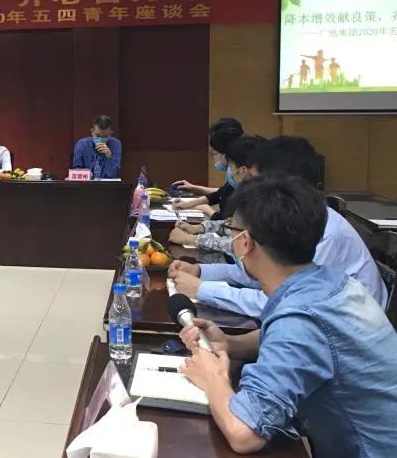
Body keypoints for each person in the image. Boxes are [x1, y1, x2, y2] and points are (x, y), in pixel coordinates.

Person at [177, 176, 397, 457]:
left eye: (232, 229)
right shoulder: (331, 282)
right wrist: (232, 344)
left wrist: (213, 379)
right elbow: (311, 342)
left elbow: (244, 434)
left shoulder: (300, 319)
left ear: (244, 242)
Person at [168, 136, 387, 317]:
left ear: (280, 184)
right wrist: (201, 271)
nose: (250, 188)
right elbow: (264, 273)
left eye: (255, 180)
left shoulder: (321, 231)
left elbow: (280, 302)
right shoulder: (294, 217)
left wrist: (203, 289)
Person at [169, 135, 264, 252]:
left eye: (230, 166)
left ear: (242, 170)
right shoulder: (252, 191)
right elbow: (233, 226)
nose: (230, 173)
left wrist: (191, 239)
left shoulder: (264, 199)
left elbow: (241, 243)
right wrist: (199, 228)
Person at [172, 117, 244, 220]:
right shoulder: (234, 171)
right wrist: (189, 203)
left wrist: (206, 209)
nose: (212, 158)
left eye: (214, 153)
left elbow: (227, 221)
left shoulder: (242, 175)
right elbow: (223, 192)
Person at [71, 115, 122, 179]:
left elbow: (113, 174)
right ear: (92, 132)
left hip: (107, 184)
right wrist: (85, 173)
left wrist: (109, 157)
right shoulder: (82, 144)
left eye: (105, 136)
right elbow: (76, 170)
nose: (101, 139)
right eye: (98, 135)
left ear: (111, 133)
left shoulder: (115, 144)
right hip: (86, 183)